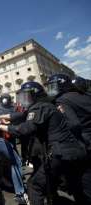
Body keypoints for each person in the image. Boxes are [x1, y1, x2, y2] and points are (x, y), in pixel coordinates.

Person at [0, 82, 87, 205]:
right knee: (75, 185)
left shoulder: (38, 107)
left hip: (60, 152)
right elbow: (23, 115)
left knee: (34, 186)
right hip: (72, 150)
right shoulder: (45, 105)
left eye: (26, 96)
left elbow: (24, 129)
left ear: (35, 94)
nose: (24, 100)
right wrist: (3, 116)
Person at [46, 73, 91, 204]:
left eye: (52, 87)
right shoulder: (84, 94)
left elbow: (73, 124)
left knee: (84, 185)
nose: (50, 90)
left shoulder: (62, 100)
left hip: (84, 145)